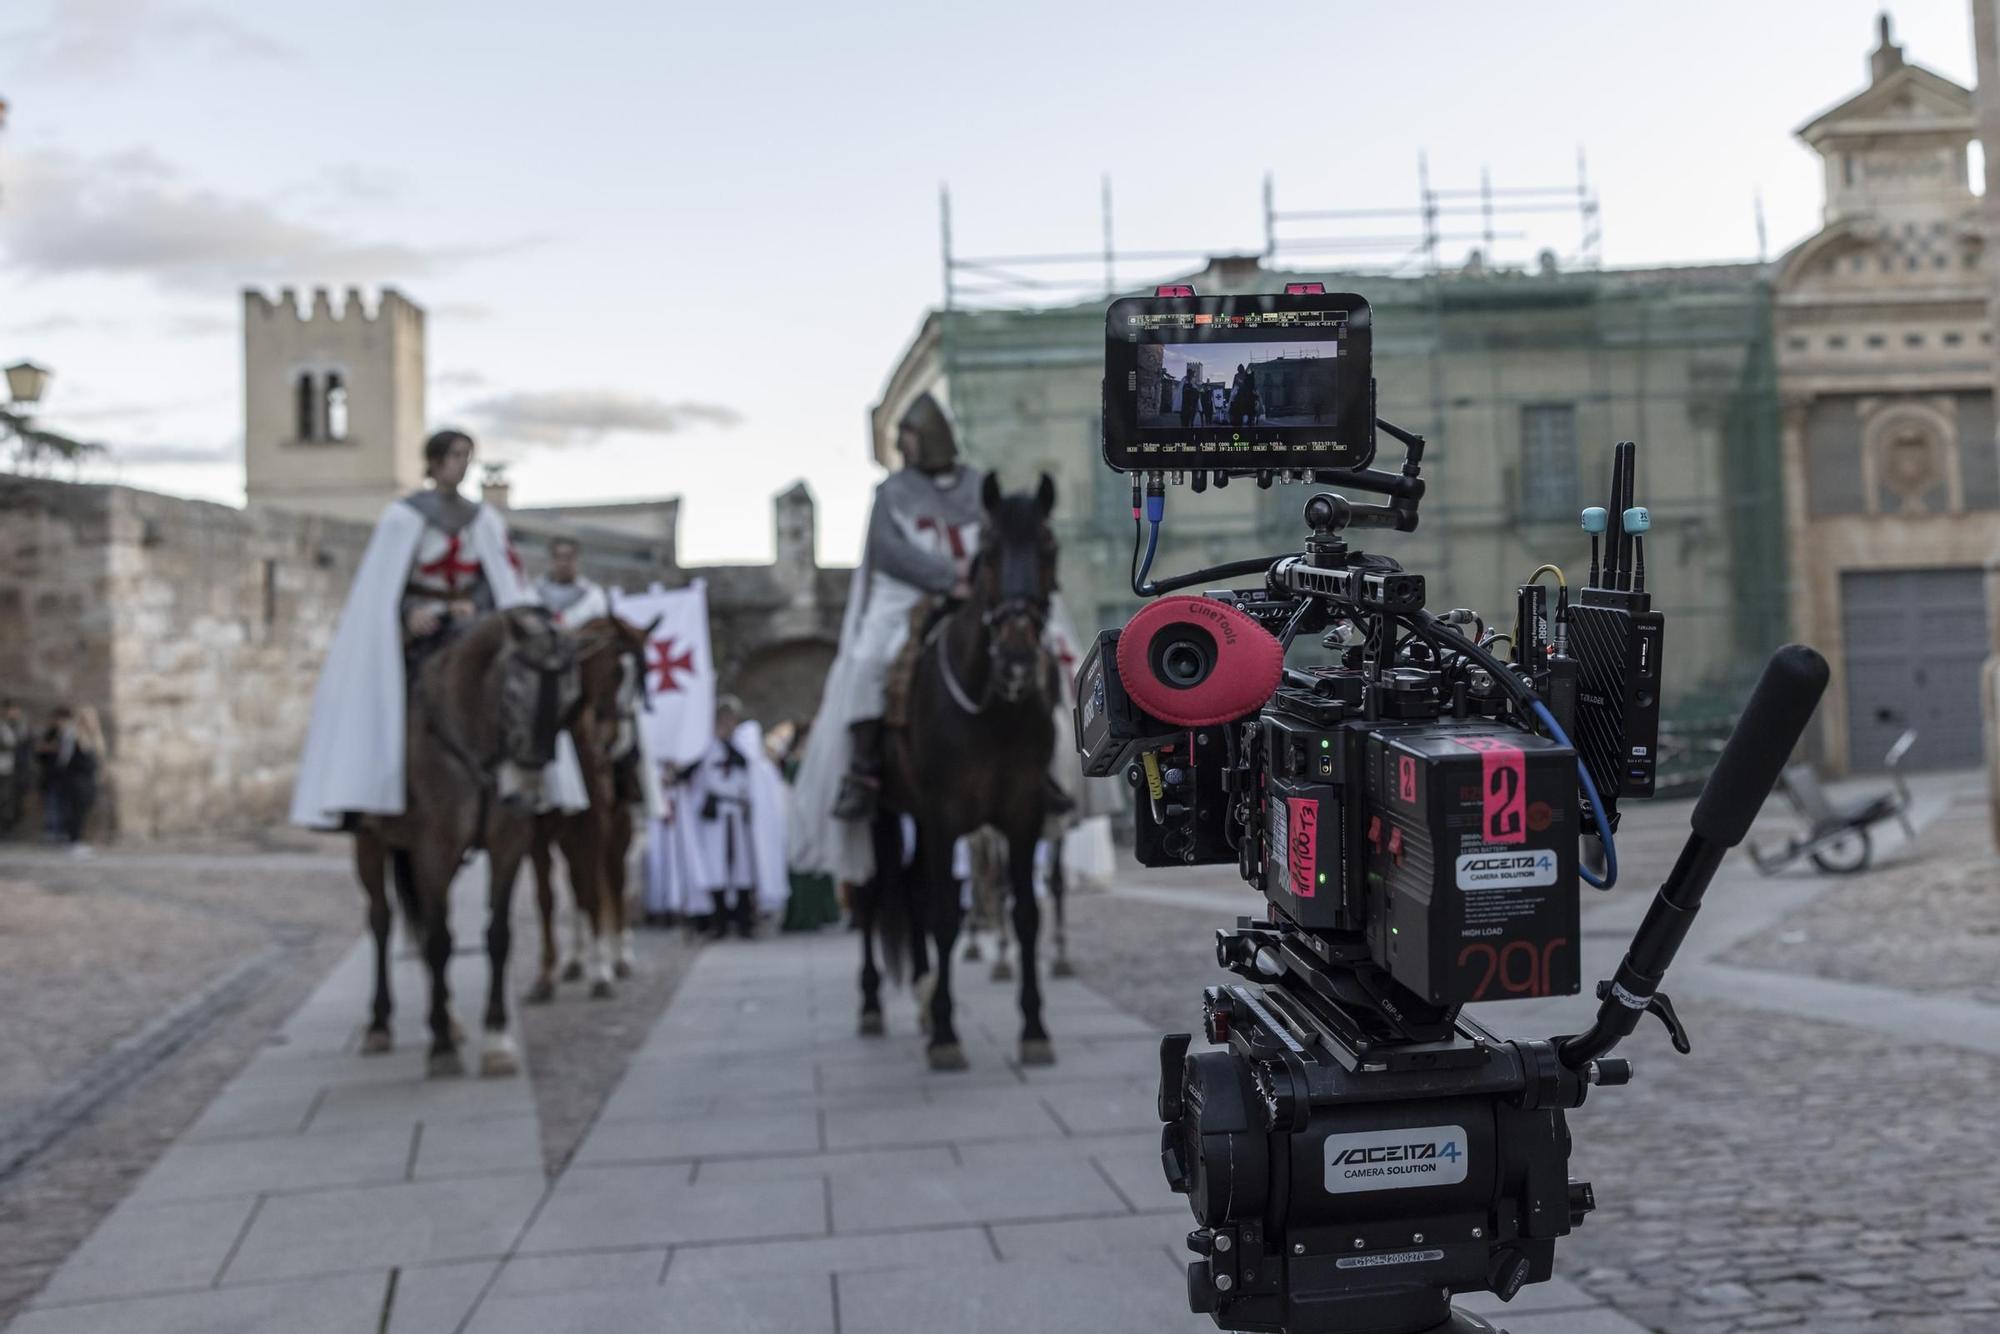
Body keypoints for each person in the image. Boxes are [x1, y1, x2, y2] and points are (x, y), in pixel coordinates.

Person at [289, 428, 586, 829]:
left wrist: (476, 606)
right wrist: (410, 613)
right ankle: (375, 787)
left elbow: (500, 579)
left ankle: (524, 781)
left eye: (468, 455)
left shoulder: (484, 520)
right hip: (421, 632)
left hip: (471, 625)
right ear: (435, 461)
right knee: (393, 692)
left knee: (519, 685)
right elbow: (383, 588)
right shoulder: (404, 517)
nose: (462, 463)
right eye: (456, 455)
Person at [680, 697, 787, 939]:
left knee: (742, 870)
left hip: (738, 814)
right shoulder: (705, 748)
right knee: (715, 869)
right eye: (722, 719)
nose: (726, 724)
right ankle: (718, 922)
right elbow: (688, 774)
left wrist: (727, 740)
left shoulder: (743, 746)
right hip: (715, 815)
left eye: (730, 719)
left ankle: (744, 921)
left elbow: (746, 764)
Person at [773, 721, 841, 932]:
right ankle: (803, 915)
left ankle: (824, 911)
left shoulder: (819, 761)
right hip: (799, 815)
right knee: (802, 859)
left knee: (819, 862)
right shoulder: (795, 763)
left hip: (818, 814)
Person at [533, 536, 609, 630]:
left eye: (568, 557)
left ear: (577, 559)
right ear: (551, 559)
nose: (563, 563)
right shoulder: (532, 593)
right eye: (558, 557)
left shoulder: (593, 596)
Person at [0, 698, 27, 837]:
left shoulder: (19, 726)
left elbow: (22, 742)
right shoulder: (3, 725)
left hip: (14, 769)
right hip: (3, 768)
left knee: (11, 800)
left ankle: (7, 829)